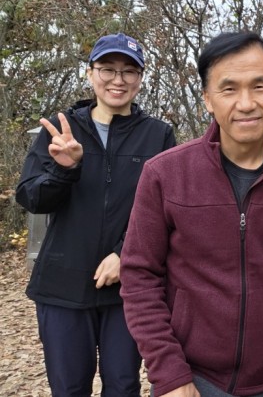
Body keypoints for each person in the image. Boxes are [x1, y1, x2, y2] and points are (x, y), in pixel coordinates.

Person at [119, 31, 263, 397]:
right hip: (195, 378)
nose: (246, 103)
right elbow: (139, 277)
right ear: (208, 99)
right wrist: (169, 373)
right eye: (229, 89)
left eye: (260, 87)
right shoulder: (165, 174)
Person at [16, 32, 176, 397]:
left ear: (140, 78)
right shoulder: (61, 129)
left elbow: (167, 209)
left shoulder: (158, 135)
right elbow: (31, 198)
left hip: (129, 289)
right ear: (90, 73)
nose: (118, 80)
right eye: (107, 69)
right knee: (69, 388)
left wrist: (125, 253)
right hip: (62, 286)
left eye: (129, 71)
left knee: (123, 385)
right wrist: (65, 169)